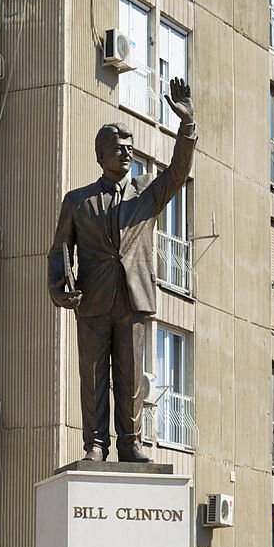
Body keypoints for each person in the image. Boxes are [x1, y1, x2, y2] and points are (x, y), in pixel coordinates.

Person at [47, 77, 197, 463]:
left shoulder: (147, 192)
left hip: (133, 298)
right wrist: (58, 286)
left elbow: (178, 172)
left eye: (129, 148)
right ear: (101, 156)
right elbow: (60, 250)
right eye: (118, 148)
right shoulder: (77, 202)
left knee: (130, 377)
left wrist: (187, 125)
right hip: (93, 299)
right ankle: (95, 445)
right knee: (93, 376)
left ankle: (130, 442)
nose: (126, 154)